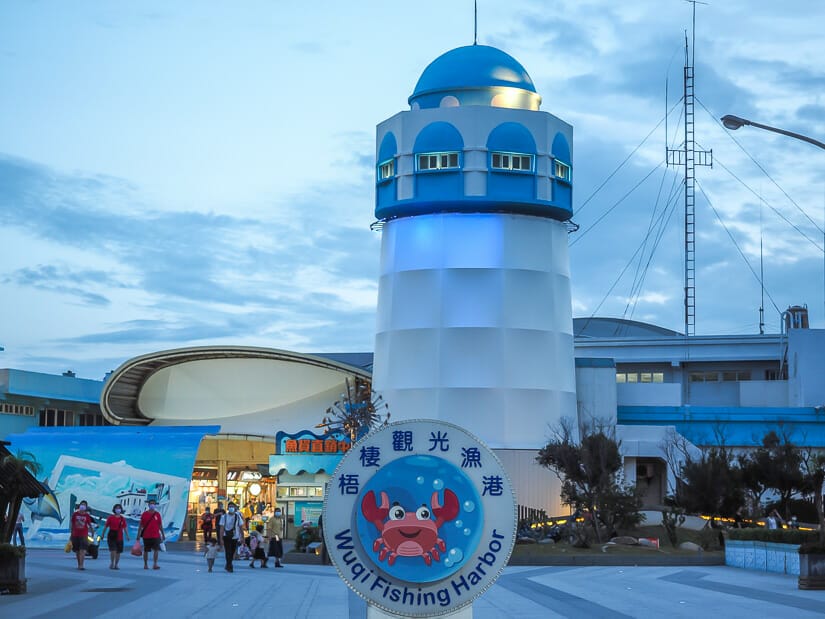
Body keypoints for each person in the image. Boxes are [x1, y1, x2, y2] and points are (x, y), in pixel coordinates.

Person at [137, 499, 165, 570]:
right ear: (148, 505)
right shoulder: (144, 514)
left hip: (156, 535)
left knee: (156, 550)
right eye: (151, 503)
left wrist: (163, 534)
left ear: (155, 505)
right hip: (146, 536)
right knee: (146, 550)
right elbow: (141, 525)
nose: (152, 505)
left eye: (154, 503)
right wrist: (138, 535)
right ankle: (145, 564)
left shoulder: (157, 514)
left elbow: (160, 525)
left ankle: (155, 564)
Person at [101, 503, 130, 570]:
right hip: (111, 535)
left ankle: (116, 564)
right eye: (117, 508)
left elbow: (125, 528)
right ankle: (112, 563)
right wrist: (102, 534)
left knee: (118, 551)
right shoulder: (110, 518)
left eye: (119, 508)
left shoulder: (122, 519)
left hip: (119, 536)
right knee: (113, 550)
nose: (118, 510)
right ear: (114, 509)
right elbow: (106, 526)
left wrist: (127, 535)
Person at [70, 499, 95, 570]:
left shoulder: (87, 516)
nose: (83, 506)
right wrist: (71, 535)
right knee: (77, 551)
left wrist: (92, 532)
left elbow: (89, 524)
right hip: (75, 535)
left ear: (86, 507)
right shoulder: (75, 514)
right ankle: (79, 564)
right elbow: (72, 524)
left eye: (84, 505)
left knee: (83, 550)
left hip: (84, 535)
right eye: (82, 504)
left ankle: (81, 565)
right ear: (79, 506)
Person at [218, 501, 243, 572]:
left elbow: (241, 527)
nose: (231, 508)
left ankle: (228, 564)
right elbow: (221, 528)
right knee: (228, 551)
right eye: (230, 507)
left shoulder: (238, 516)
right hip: (226, 536)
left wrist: (242, 537)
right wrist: (221, 538)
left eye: (232, 507)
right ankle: (229, 565)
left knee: (232, 551)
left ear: (235, 508)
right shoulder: (224, 516)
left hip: (235, 536)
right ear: (228, 508)